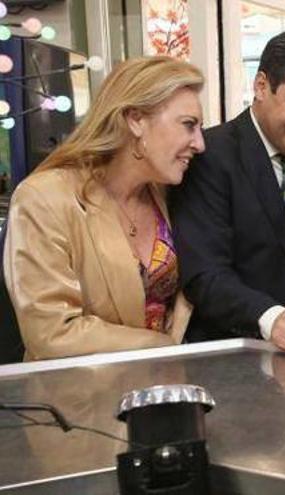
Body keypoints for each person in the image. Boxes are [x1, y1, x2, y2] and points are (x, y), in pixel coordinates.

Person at [3, 57, 203, 360]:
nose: (199, 143)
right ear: (135, 119)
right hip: (77, 399)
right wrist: (159, 346)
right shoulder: (43, 198)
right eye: (188, 125)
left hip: (157, 392)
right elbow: (53, 333)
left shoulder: (165, 192)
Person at [170, 32, 285, 351]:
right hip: (231, 360)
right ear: (261, 87)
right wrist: (271, 318)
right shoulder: (210, 156)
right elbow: (204, 274)